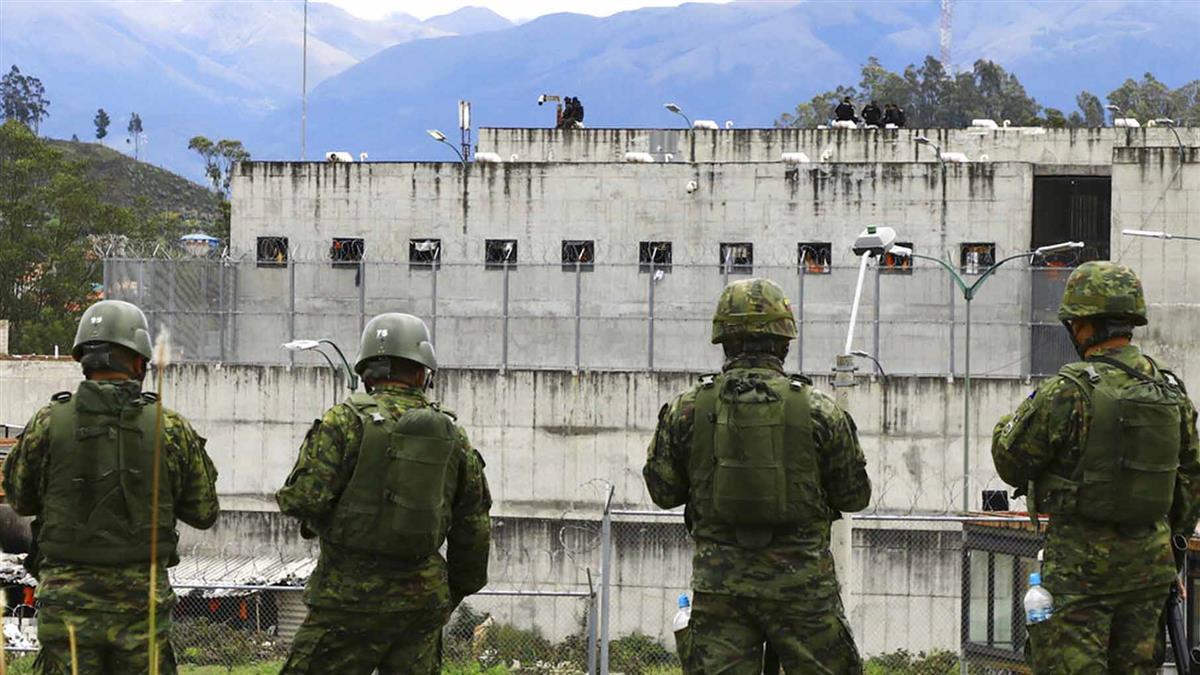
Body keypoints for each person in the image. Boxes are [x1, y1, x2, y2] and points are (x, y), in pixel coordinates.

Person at [643, 278, 871, 674]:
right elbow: (854, 496)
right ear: (784, 341)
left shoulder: (688, 410)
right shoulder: (819, 411)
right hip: (803, 591)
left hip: (720, 590)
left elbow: (663, 491)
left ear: (724, 340)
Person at [991, 261, 1200, 674]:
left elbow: (1011, 462)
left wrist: (1006, 426)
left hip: (1079, 576)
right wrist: (1169, 551)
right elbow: (1190, 481)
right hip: (1148, 574)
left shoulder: (1068, 391)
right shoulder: (1170, 390)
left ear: (1084, 326)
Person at [3, 300, 220, 674]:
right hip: (141, 609)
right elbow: (203, 513)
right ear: (138, 362)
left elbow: (20, 501)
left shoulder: (48, 423)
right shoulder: (169, 429)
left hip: (67, 607)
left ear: (84, 358)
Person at [277, 312, 492, 674]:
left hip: (345, 602)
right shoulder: (452, 435)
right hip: (419, 606)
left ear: (364, 371)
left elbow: (301, 499)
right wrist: (448, 593)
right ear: (423, 372)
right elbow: (474, 527)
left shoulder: (343, 421)